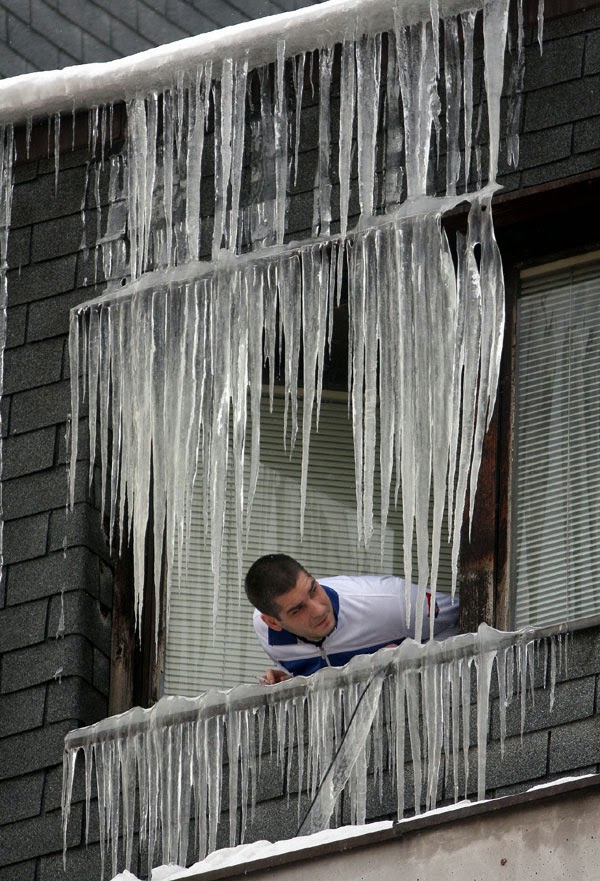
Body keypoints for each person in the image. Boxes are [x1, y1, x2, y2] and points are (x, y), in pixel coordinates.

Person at [245, 553, 460, 683]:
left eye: (313, 590)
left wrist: (412, 656)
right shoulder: (266, 633)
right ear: (273, 622)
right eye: (297, 610)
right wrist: (294, 684)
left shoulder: (394, 602)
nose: (318, 610)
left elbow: (465, 620)